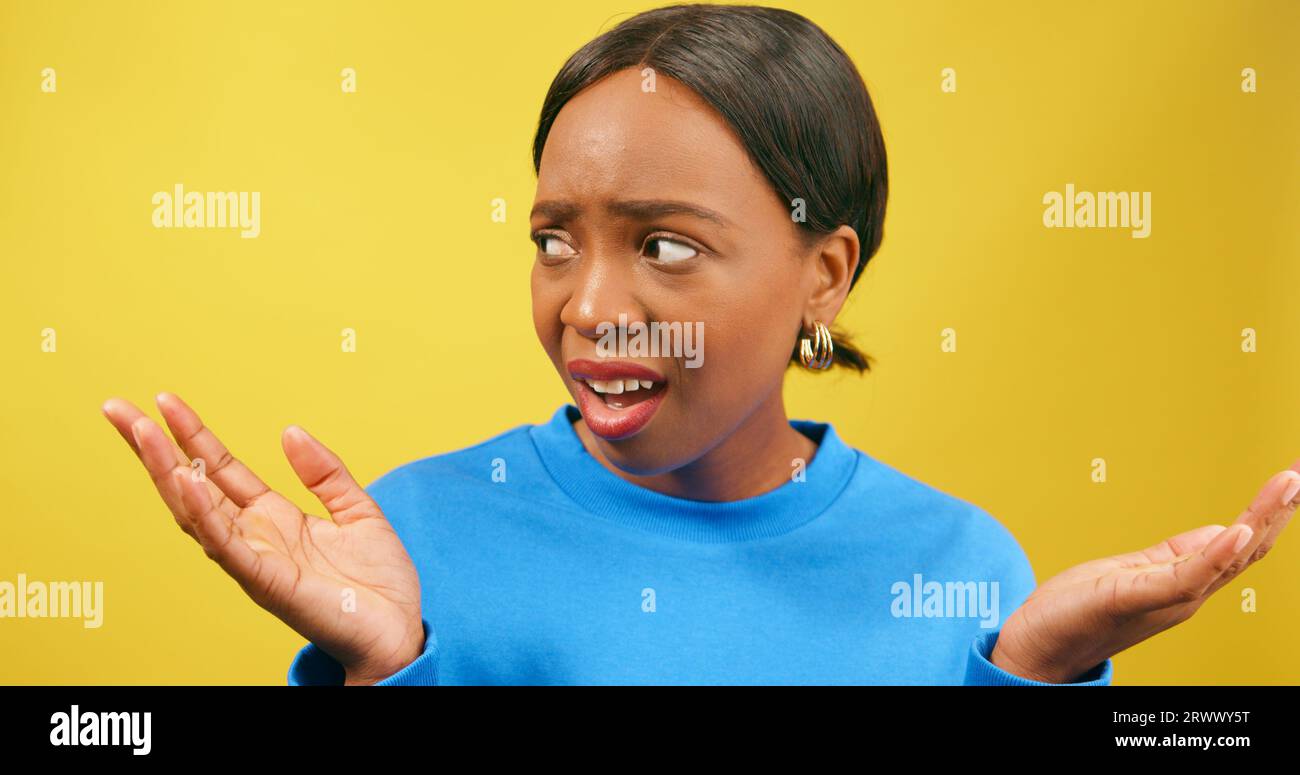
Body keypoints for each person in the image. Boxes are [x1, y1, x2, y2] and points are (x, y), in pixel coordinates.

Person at [101, 3, 1299, 685]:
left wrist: (1029, 676)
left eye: (664, 245)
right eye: (555, 238)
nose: (586, 304)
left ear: (821, 275)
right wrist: (389, 667)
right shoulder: (400, 543)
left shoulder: (963, 567)